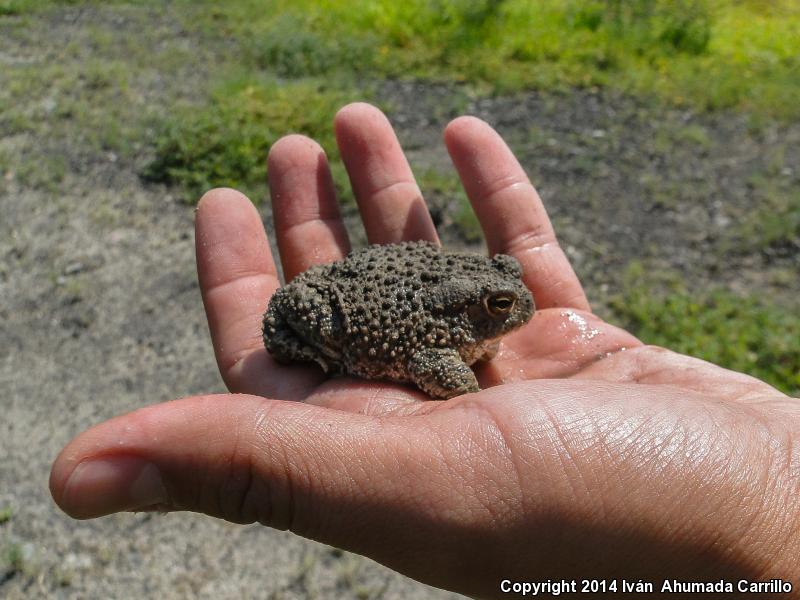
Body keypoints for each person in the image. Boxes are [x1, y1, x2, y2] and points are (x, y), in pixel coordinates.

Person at [50, 103, 798, 599]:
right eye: (504, 307)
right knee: (307, 305)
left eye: (508, 296)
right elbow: (432, 367)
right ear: (480, 315)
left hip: (401, 280)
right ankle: (320, 345)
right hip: (344, 302)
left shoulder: (469, 319)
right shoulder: (452, 343)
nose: (521, 311)